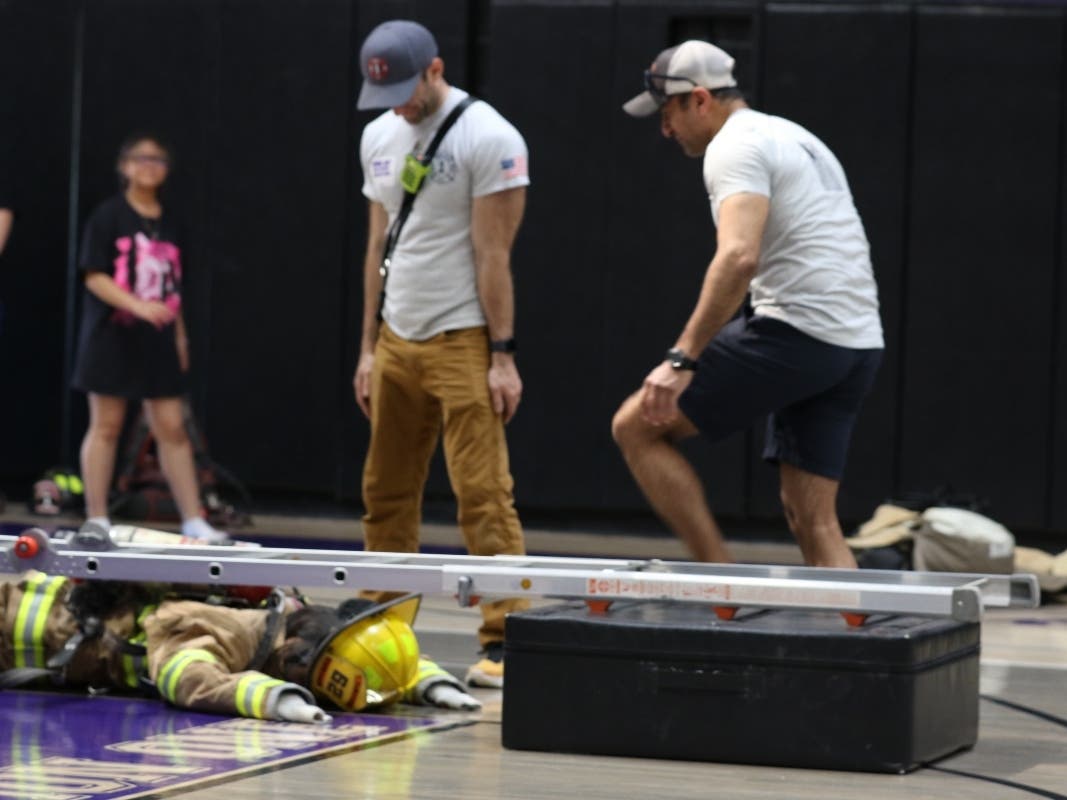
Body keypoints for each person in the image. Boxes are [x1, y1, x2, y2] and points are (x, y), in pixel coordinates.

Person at [611, 41, 884, 568]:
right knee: (813, 519)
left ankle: (717, 582)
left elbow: (738, 257)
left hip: (798, 332)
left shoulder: (733, 146)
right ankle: (856, 642)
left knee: (637, 426)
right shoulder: (794, 136)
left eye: (667, 114)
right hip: (856, 343)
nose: (665, 130)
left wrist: (681, 359)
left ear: (699, 100)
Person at [351, 20, 530, 688]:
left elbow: (494, 253)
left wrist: (501, 355)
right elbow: (378, 248)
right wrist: (368, 348)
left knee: (482, 494)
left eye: (405, 88)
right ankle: (380, 627)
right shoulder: (377, 135)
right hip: (396, 336)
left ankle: (506, 637)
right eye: (384, 93)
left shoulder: (490, 136)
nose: (396, 104)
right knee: (385, 490)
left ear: (435, 69)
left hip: (461, 337)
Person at [0, 571, 481, 720]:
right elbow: (184, 677)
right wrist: (275, 699)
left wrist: (429, 683)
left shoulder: (291, 616)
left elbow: (370, 659)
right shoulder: (221, 628)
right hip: (14, 624)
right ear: (294, 657)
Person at [71, 133, 227, 543]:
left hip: (158, 340)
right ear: (124, 166)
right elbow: (94, 276)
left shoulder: (171, 222)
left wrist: (179, 336)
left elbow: (174, 289)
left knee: (172, 427)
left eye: (157, 159)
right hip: (112, 335)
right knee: (106, 425)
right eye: (140, 158)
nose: (149, 165)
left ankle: (193, 518)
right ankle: (97, 516)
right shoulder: (108, 217)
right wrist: (137, 305)